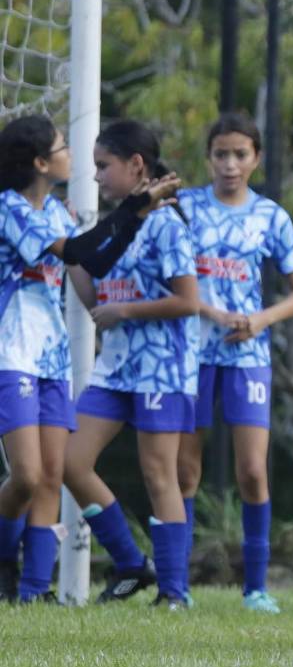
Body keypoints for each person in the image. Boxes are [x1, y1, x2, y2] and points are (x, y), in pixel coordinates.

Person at [0, 115, 172, 603]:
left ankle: (34, 592)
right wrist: (136, 204)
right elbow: (76, 248)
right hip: (11, 351)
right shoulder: (9, 208)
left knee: (52, 474)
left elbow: (91, 260)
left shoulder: (57, 212)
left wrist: (138, 216)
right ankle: (2, 560)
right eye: (61, 146)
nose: (71, 155)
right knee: (27, 476)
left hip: (50, 356)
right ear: (39, 162)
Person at [176, 113, 293, 613]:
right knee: (184, 470)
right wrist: (206, 310)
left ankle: (255, 588)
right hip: (190, 353)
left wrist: (259, 320)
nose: (230, 164)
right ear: (208, 157)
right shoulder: (185, 207)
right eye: (220, 154)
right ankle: (178, 585)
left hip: (248, 355)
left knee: (253, 470)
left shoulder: (271, 216)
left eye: (240, 154)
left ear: (255, 157)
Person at [63, 119, 197, 609]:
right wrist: (72, 258)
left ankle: (175, 593)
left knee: (159, 474)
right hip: (116, 366)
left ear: (136, 165)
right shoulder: (117, 223)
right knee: (69, 461)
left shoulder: (166, 222)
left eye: (104, 166)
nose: (96, 176)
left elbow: (188, 301)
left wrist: (127, 310)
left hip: (162, 367)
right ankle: (129, 563)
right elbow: (96, 298)